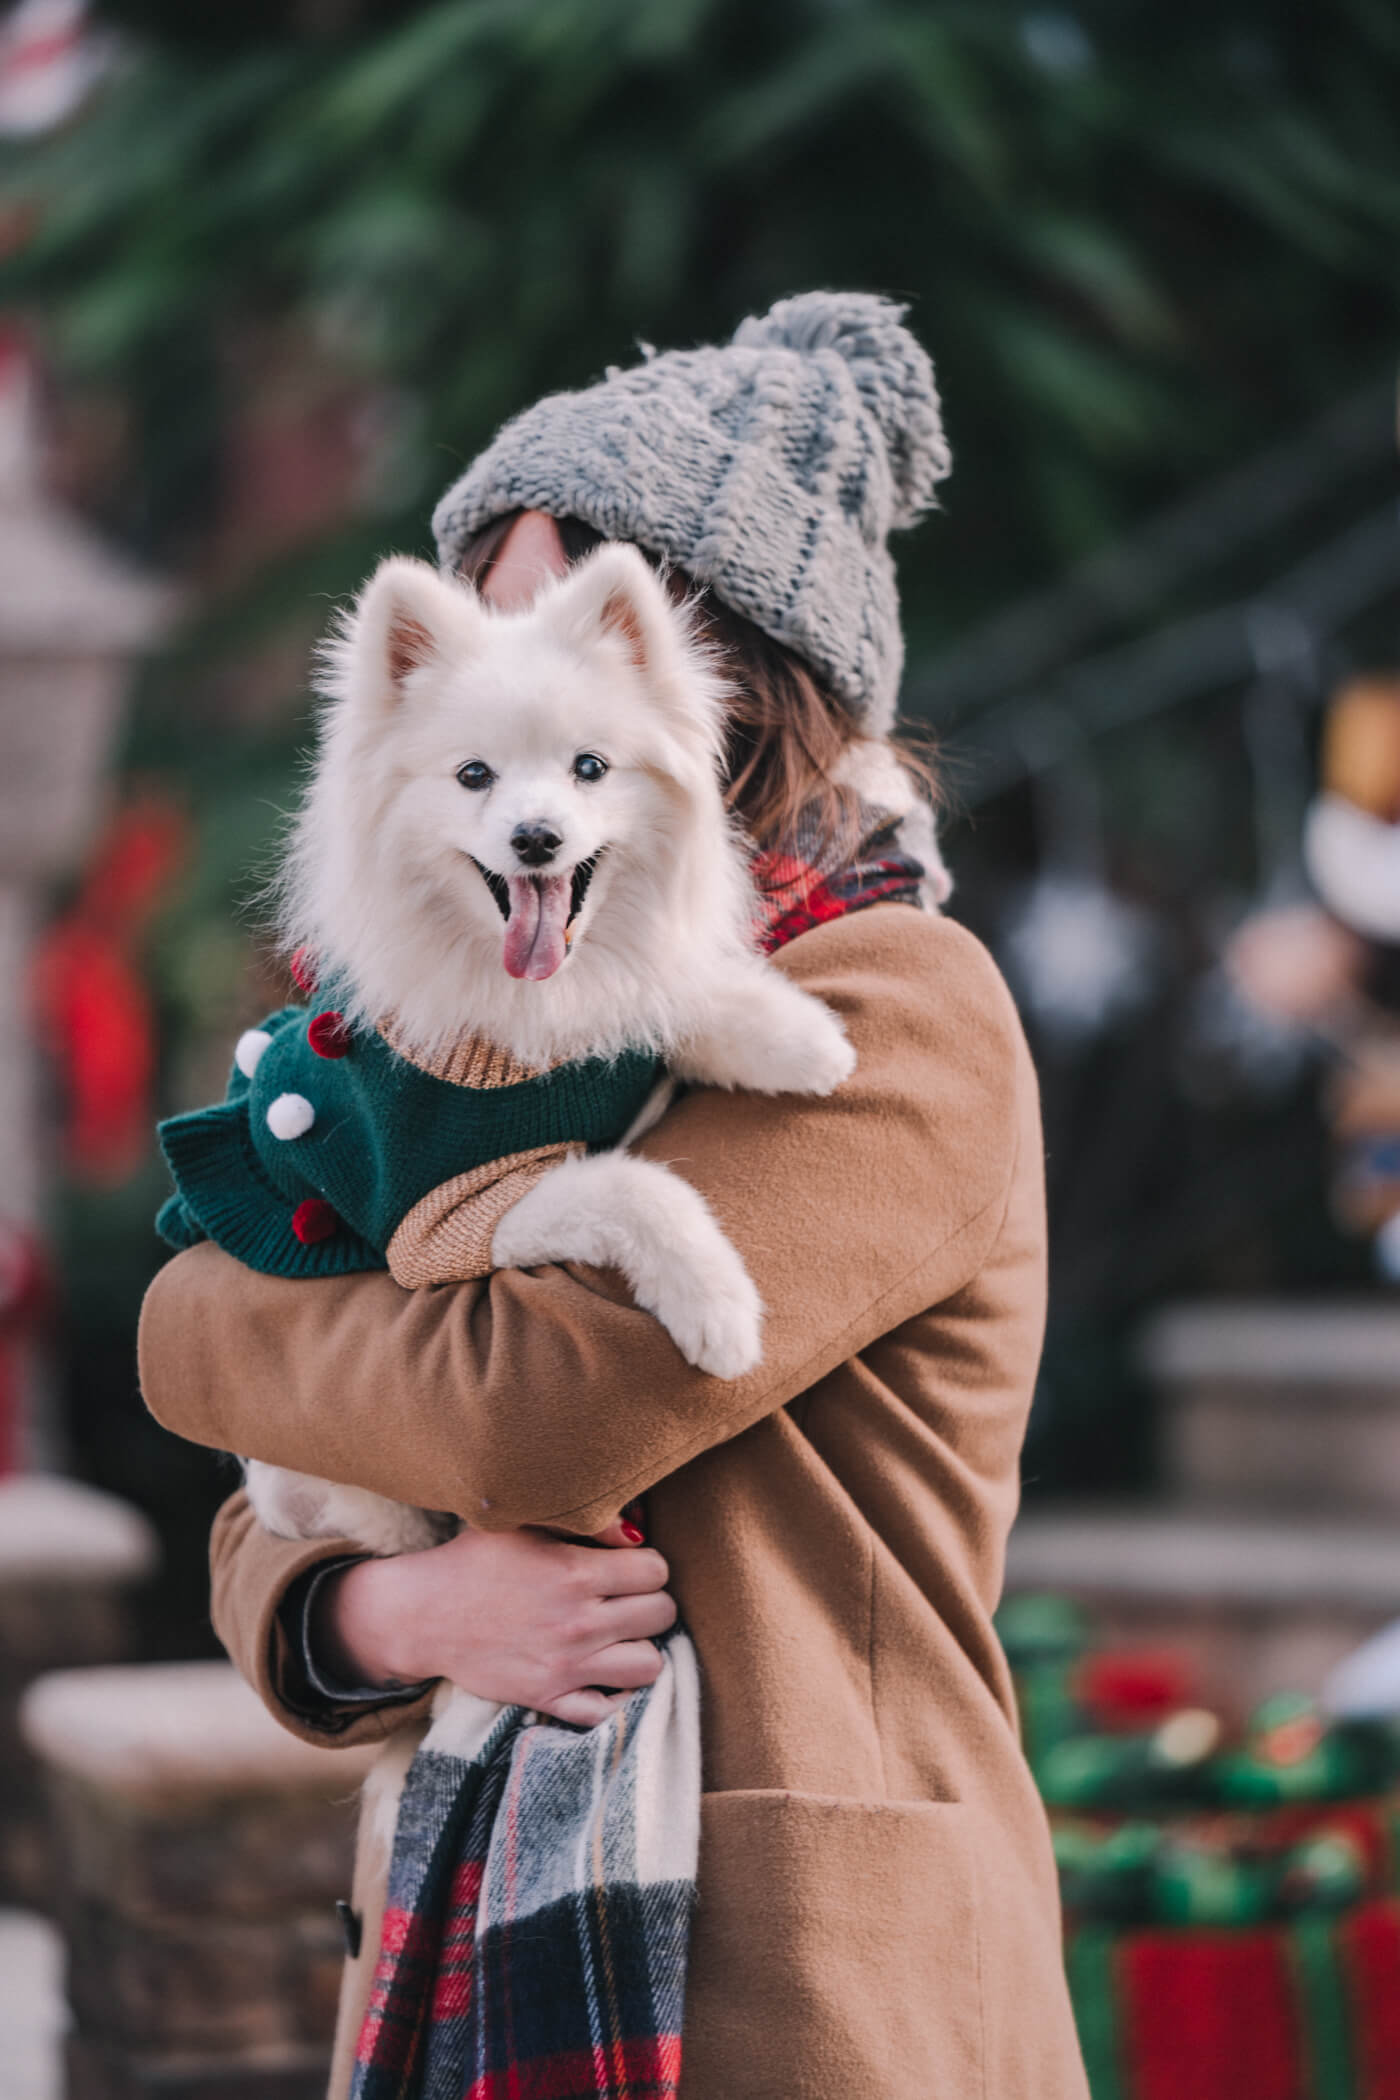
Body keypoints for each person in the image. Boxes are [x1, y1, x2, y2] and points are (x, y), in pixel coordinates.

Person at [138, 293, 1089, 2099]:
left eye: (552, 603)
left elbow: (540, 1407)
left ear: (707, 672)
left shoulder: (893, 1009)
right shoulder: (467, 1018)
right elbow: (253, 1499)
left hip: (797, 1988)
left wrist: (208, 1318)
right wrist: (383, 1618)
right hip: (481, 1921)